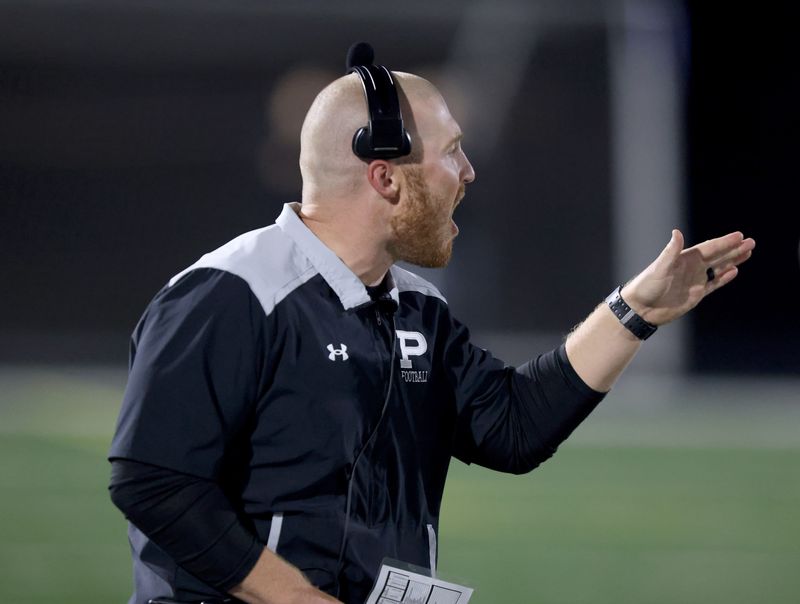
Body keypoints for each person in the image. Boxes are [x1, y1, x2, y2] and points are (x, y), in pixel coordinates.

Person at [108, 59, 755, 604]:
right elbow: (154, 480)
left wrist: (633, 311)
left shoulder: (416, 307)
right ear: (385, 176)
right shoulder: (230, 293)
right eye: (450, 152)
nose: (469, 172)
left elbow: (512, 427)